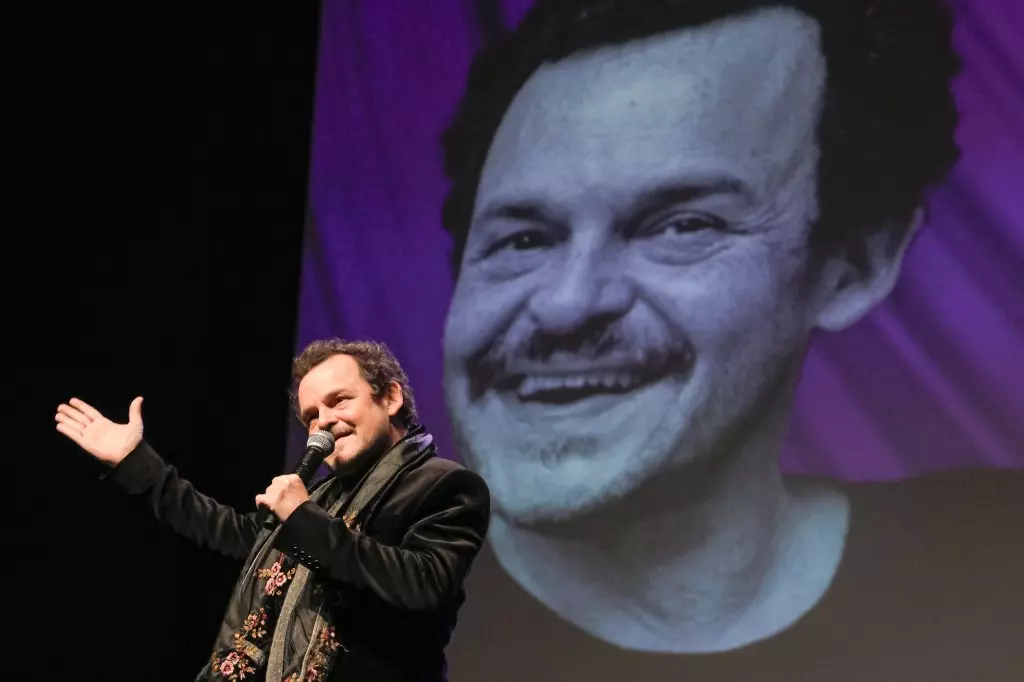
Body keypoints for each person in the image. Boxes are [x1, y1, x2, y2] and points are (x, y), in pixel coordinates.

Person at [437, 0, 1023, 678]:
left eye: (682, 225)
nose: (567, 304)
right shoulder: (338, 613)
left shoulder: (998, 557)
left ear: (856, 265)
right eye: (524, 239)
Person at [55, 338, 491, 682]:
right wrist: (137, 465)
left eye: (340, 400)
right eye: (311, 415)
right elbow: (224, 531)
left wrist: (303, 519)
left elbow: (422, 584)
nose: (323, 421)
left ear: (391, 397)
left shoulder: (444, 484)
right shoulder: (320, 498)